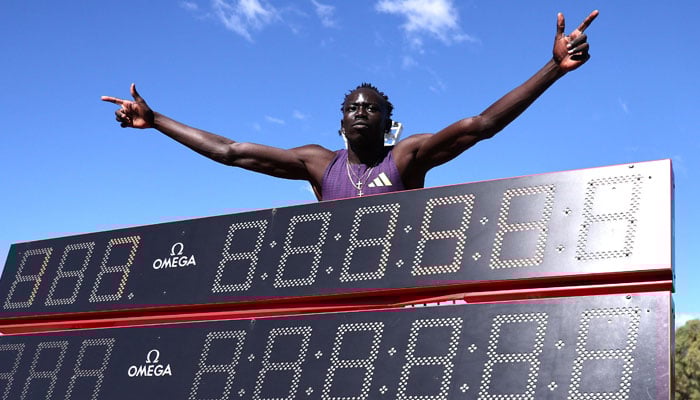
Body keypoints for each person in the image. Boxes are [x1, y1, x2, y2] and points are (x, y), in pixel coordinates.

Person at [102, 11, 598, 201]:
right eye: (353, 107)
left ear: (389, 120)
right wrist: (156, 120)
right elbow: (231, 151)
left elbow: (480, 124)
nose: (361, 111)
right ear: (340, 122)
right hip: (339, 298)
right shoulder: (318, 164)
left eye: (372, 107)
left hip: (404, 296)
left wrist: (552, 69)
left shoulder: (406, 158)